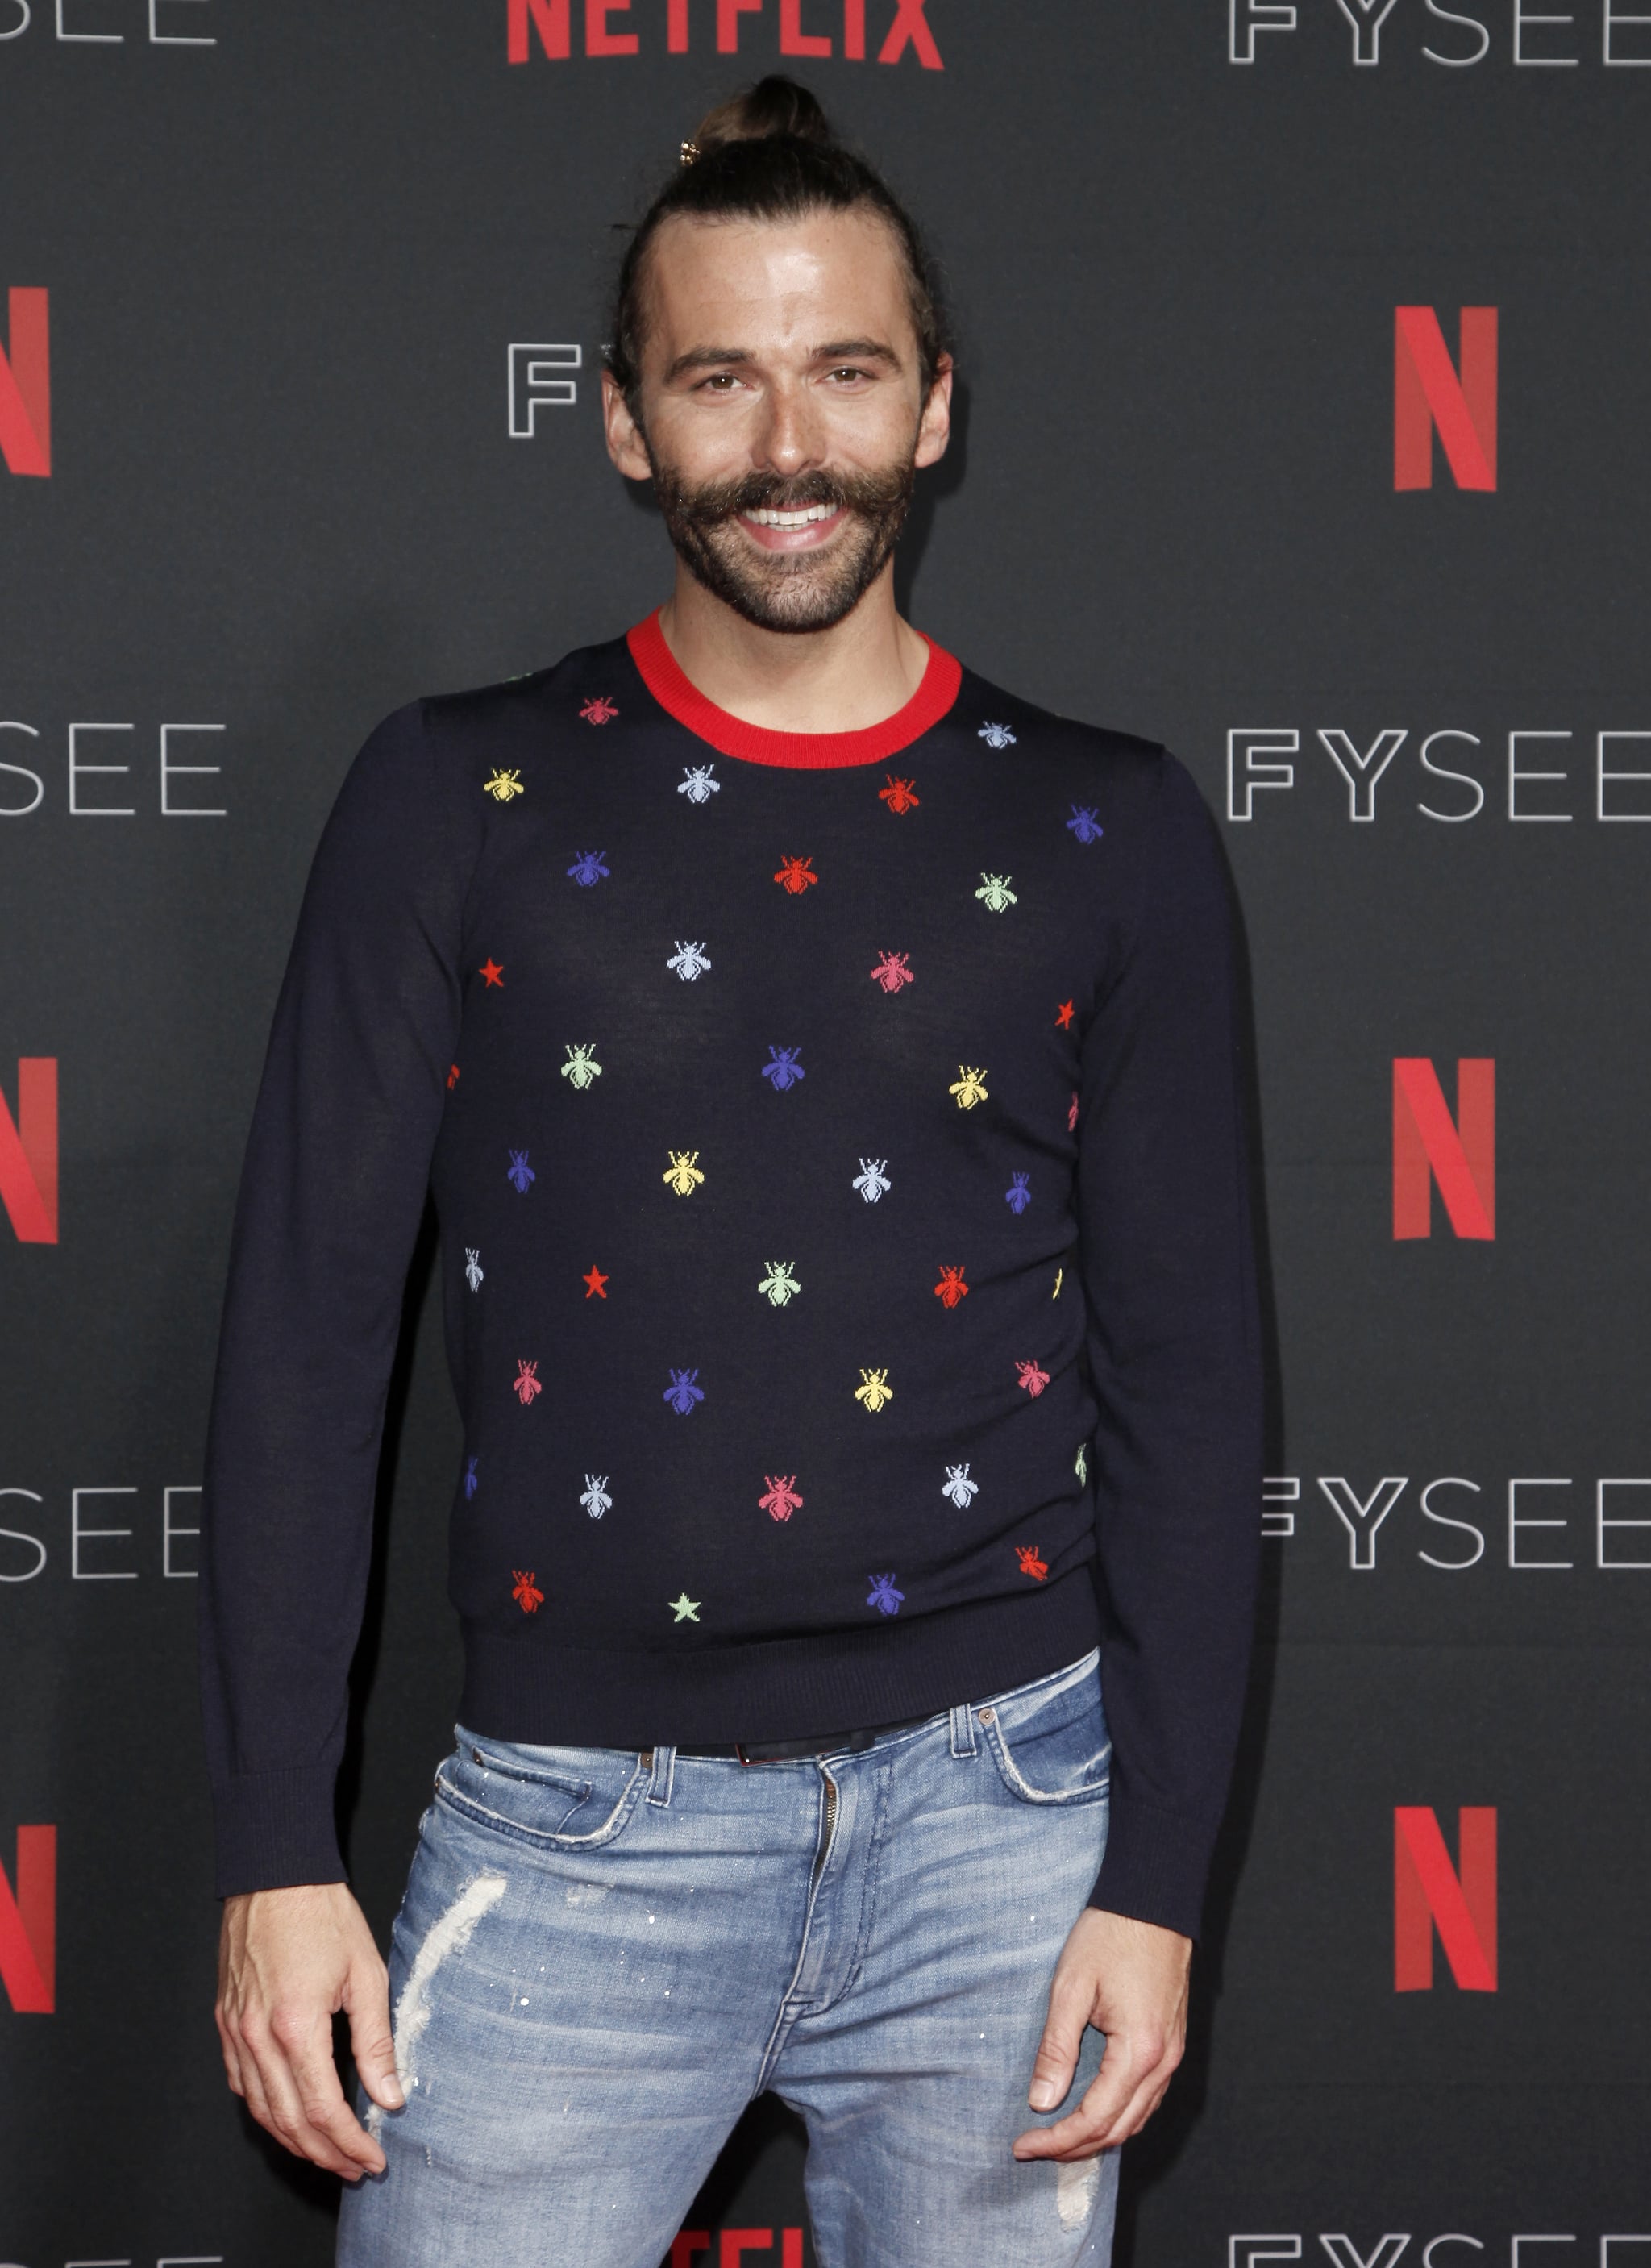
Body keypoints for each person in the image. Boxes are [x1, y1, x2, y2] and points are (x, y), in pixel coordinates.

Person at [202, 76, 1263, 2268]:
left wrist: (1153, 1882)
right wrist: (268, 1851)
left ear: (936, 404)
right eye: (721, 376)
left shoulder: (1112, 828)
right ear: (624, 423)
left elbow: (1192, 1389)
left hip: (1010, 1829)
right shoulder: (457, 796)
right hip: (574, 1831)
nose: (790, 443)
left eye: (846, 368)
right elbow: (307, 1346)